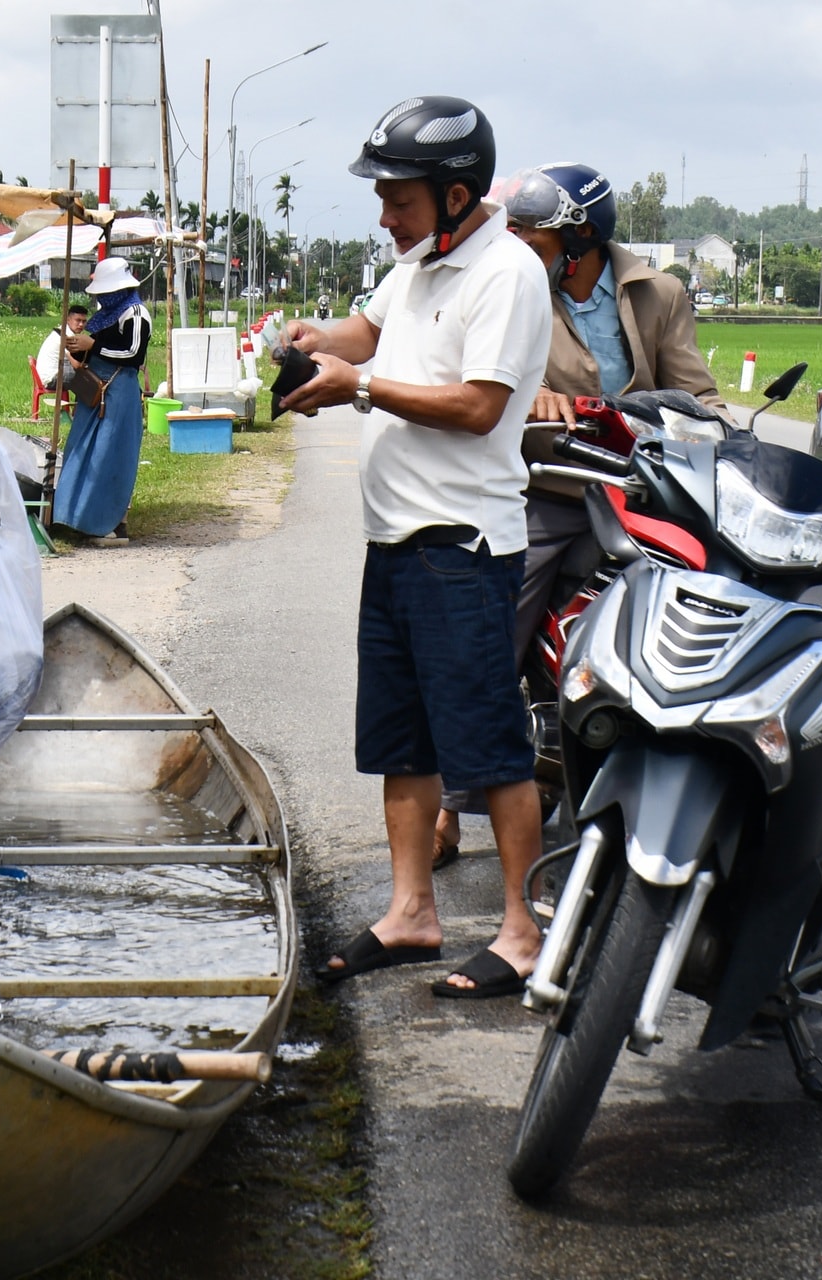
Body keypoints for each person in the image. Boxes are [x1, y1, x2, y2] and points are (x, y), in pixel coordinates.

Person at [280, 96, 553, 998]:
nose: (385, 214)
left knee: (487, 745)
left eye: (399, 198)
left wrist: (359, 389)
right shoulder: (417, 266)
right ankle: (411, 912)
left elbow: (479, 407)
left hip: (462, 546)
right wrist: (319, 344)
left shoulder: (507, 274)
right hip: (394, 541)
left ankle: (520, 930)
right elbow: (368, 334)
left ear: (457, 193)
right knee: (403, 744)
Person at [430, 161, 728, 866]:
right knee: (490, 631)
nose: (520, 248)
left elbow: (697, 393)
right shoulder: (511, 287)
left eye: (534, 238)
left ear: (581, 239)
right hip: (549, 489)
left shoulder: (659, 293)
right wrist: (526, 397)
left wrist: (718, 430)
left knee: (715, 606)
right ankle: (448, 806)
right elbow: (481, 381)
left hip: (648, 491)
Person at [52, 256, 151, 544]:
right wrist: (78, 348)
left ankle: (112, 524)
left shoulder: (135, 314)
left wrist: (93, 344)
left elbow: (133, 355)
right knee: (82, 452)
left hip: (118, 394)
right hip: (95, 393)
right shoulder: (106, 315)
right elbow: (93, 353)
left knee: (110, 455)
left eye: (107, 293)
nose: (103, 298)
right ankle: (77, 516)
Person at [34, 304, 89, 392]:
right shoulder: (66, 336)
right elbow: (76, 364)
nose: (81, 324)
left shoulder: (62, 331)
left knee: (85, 379)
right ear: (68, 320)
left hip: (47, 376)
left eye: (84, 321)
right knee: (89, 380)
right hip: (51, 379)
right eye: (78, 320)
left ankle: (81, 404)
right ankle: (84, 405)